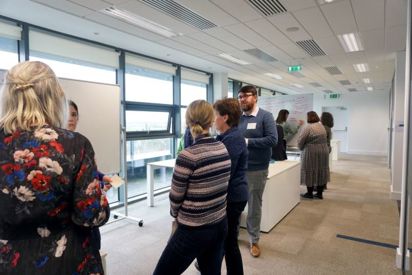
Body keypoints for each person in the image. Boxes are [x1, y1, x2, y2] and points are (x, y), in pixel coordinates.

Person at [0, 61, 109, 274]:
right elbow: (91, 215)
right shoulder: (74, 145)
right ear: (53, 97)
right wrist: (100, 195)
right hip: (65, 260)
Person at [153, 100, 231, 275]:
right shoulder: (222, 148)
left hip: (193, 229)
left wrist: (175, 215)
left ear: (188, 122)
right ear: (211, 121)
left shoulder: (187, 156)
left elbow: (175, 197)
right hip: (219, 224)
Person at [67, 100, 112, 252]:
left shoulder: (81, 142)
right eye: (67, 114)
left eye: (74, 114)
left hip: (87, 214)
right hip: (72, 216)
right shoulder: (58, 147)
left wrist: (101, 178)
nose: (71, 118)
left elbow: (87, 172)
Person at [237, 85, 277, 258]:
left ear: (255, 97)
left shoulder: (265, 116)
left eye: (246, 96)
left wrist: (248, 142)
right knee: (235, 205)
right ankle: (233, 237)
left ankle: (254, 240)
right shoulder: (237, 118)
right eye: (240, 97)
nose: (242, 99)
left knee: (254, 207)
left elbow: (272, 140)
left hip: (256, 169)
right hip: (237, 169)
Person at [213, 98, 248, 275]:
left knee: (229, 243)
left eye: (215, 115)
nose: (212, 119)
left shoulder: (233, 139)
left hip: (233, 197)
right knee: (225, 241)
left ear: (225, 117)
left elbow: (225, 173)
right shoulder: (226, 137)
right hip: (233, 195)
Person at [298, 111, 330, 200]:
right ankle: (319, 193)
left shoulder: (308, 128)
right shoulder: (321, 126)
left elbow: (301, 141)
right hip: (323, 151)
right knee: (321, 171)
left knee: (310, 170)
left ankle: (309, 193)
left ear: (309, 117)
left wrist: (300, 148)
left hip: (311, 151)